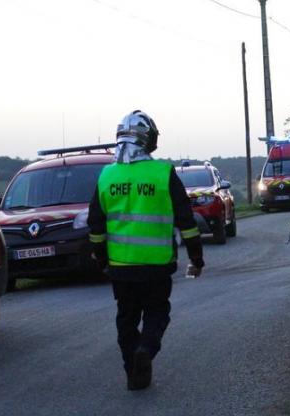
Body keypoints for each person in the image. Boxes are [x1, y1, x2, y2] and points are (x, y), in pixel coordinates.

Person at [87, 110, 204, 390]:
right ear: (148, 139)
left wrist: (102, 259)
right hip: (157, 264)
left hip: (120, 267)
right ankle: (146, 351)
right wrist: (196, 257)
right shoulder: (163, 172)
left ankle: (133, 372)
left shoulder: (107, 175)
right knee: (156, 313)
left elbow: (95, 224)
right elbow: (186, 220)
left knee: (126, 320)